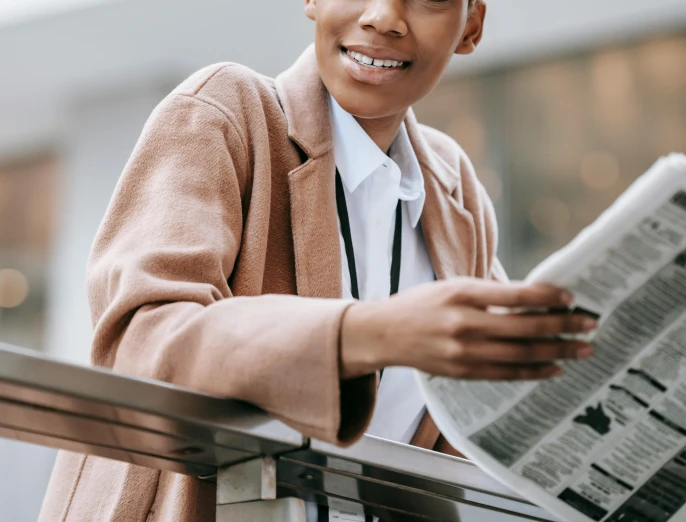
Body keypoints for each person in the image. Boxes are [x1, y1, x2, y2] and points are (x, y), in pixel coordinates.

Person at [38, 0, 597, 520]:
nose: (384, 17)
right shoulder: (224, 110)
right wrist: (372, 334)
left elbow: (494, 418)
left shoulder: (454, 192)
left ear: (471, 25)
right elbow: (140, 339)